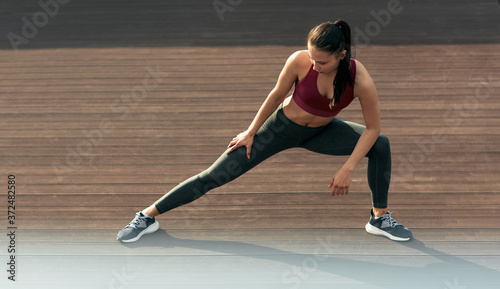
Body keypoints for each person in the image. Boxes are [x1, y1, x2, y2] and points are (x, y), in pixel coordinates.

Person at [117, 19, 413, 243]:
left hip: (322, 132)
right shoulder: (300, 61)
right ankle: (146, 217)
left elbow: (373, 129)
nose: (315, 65)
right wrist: (250, 132)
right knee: (215, 175)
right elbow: (274, 96)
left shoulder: (360, 80)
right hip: (279, 128)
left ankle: (379, 218)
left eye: (322, 62)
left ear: (341, 55)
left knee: (381, 144)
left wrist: (348, 168)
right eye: (312, 58)